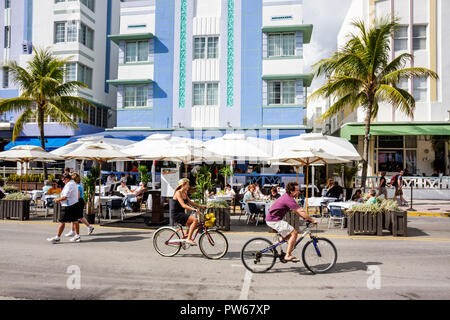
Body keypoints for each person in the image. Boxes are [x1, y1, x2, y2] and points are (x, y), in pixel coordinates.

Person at [266, 182, 316, 262]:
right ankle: (288, 255)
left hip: (273, 219)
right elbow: (300, 211)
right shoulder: (288, 199)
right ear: (291, 191)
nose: (298, 192)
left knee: (287, 236)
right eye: (297, 190)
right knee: (294, 233)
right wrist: (312, 220)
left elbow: (296, 211)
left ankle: (273, 245)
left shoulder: (288, 197)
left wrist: (304, 218)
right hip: (274, 220)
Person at [170, 178, 206, 246]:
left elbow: (190, 202)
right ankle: (188, 239)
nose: (189, 186)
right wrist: (194, 209)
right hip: (176, 214)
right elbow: (183, 205)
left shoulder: (184, 193)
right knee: (195, 220)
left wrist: (200, 206)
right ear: (183, 185)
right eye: (187, 184)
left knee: (193, 225)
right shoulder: (178, 193)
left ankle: (186, 236)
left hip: (181, 213)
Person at [47, 173, 80, 243]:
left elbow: (65, 197)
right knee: (75, 220)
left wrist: (57, 199)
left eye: (63, 180)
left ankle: (57, 237)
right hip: (73, 204)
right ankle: (77, 236)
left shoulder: (69, 185)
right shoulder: (73, 183)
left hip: (68, 205)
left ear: (67, 179)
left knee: (62, 221)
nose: (62, 181)